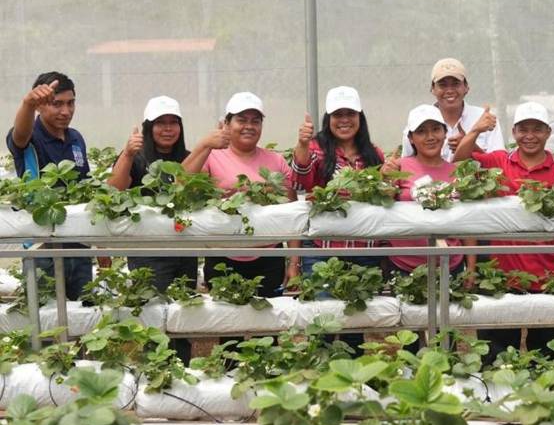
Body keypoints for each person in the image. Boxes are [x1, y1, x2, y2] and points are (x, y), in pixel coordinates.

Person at [453, 101, 554, 361]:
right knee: (496, 356)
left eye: (537, 129)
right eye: (523, 129)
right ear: (514, 132)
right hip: (500, 276)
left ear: (548, 133)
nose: (530, 136)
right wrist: (476, 130)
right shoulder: (498, 161)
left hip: (547, 276)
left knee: (543, 357)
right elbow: (460, 159)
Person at [183, 91, 299, 296]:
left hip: (269, 257)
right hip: (222, 257)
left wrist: (294, 262)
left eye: (256, 121)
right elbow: (181, 182)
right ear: (226, 124)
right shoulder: (212, 157)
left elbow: (292, 213)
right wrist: (205, 145)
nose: (249, 126)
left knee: (267, 320)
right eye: (241, 120)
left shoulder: (276, 161)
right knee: (226, 321)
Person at [6, 72, 92, 300]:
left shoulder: (76, 138)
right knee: (44, 316)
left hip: (78, 244)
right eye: (57, 104)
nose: (66, 111)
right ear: (40, 107)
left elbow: (85, 185)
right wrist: (27, 104)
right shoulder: (30, 137)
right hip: (42, 244)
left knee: (84, 312)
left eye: (70, 103)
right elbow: (19, 135)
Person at [107, 96, 198, 292]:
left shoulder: (188, 158)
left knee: (185, 309)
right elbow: (114, 191)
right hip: (147, 251)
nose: (168, 129)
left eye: (173, 122)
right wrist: (128, 154)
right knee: (152, 308)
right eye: (160, 123)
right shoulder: (136, 158)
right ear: (148, 127)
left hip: (185, 249)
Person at [291, 85, 385, 273]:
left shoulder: (374, 154)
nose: (344, 120)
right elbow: (299, 183)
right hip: (324, 250)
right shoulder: (316, 149)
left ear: (360, 117)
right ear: (328, 119)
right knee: (323, 303)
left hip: (366, 251)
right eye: (338, 114)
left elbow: (382, 202)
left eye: (350, 113)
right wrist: (302, 144)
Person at [383, 104, 476, 276]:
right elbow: (384, 206)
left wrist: (470, 267)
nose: (430, 137)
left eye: (436, 129)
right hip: (405, 267)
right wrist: (385, 178)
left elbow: (467, 223)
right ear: (410, 138)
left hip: (451, 266)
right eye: (421, 132)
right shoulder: (398, 167)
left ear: (445, 133)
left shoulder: (456, 172)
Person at [400, 58, 504, 162]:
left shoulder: (485, 119)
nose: (449, 90)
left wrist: (470, 146)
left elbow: (500, 165)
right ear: (432, 89)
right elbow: (407, 166)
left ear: (466, 87)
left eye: (455, 84)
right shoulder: (416, 122)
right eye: (442, 85)